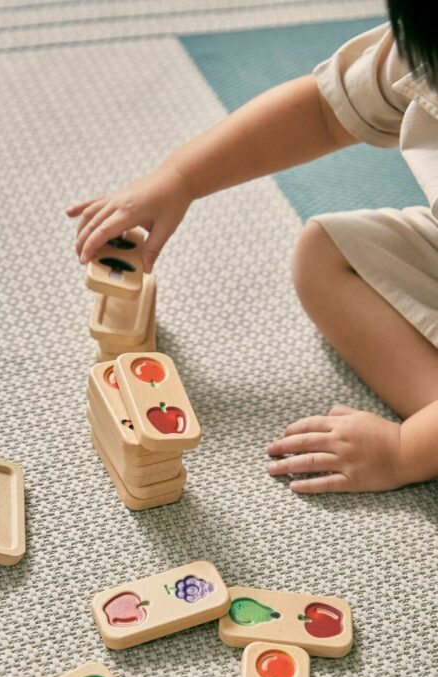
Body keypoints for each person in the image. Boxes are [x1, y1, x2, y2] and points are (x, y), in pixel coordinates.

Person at [67, 3, 438, 494]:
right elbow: (324, 113)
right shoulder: (421, 57)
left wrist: (402, 451)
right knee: (324, 254)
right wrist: (179, 179)